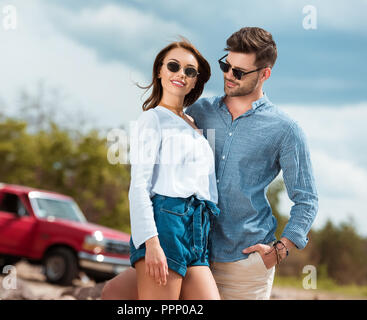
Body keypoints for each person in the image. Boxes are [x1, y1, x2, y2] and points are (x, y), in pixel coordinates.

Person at [102, 27, 318, 300]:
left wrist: (280, 249)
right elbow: (151, 178)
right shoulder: (199, 113)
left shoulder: (285, 129)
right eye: (226, 66)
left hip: (243, 260)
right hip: (189, 243)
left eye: (239, 72)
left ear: (265, 74)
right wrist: (150, 239)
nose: (228, 75)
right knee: (114, 292)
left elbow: (307, 199)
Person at [127, 38, 221, 299]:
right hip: (166, 221)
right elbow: (138, 187)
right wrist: (151, 242)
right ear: (160, 71)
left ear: (194, 81)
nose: (181, 74)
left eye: (189, 71)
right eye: (173, 66)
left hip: (198, 226)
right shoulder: (152, 118)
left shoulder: (193, 123)